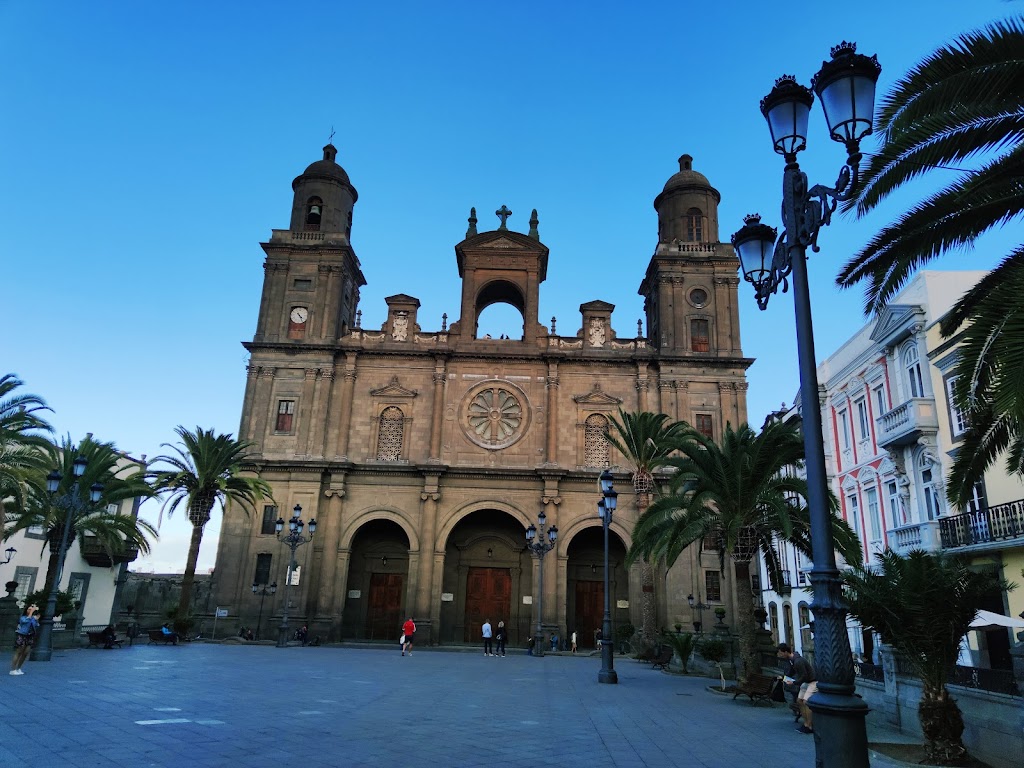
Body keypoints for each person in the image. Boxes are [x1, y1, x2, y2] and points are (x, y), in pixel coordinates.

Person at [777, 642, 816, 734]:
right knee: (799, 701)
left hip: (812, 682)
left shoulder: (798, 661)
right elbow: (791, 673)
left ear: (786, 652)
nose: (780, 655)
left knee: (806, 702)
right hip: (806, 682)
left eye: (781, 653)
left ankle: (809, 725)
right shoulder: (791, 660)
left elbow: (804, 676)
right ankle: (806, 723)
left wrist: (794, 682)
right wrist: (783, 678)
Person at [10, 604, 39, 675]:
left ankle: (19, 668)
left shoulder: (33, 618)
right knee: (19, 652)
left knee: (25, 653)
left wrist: (36, 619)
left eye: (31, 609)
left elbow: (36, 625)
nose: (30, 610)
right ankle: (13, 669)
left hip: (30, 636)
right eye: (29, 609)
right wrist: (31, 612)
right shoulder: (23, 618)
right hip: (22, 636)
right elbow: (25, 622)